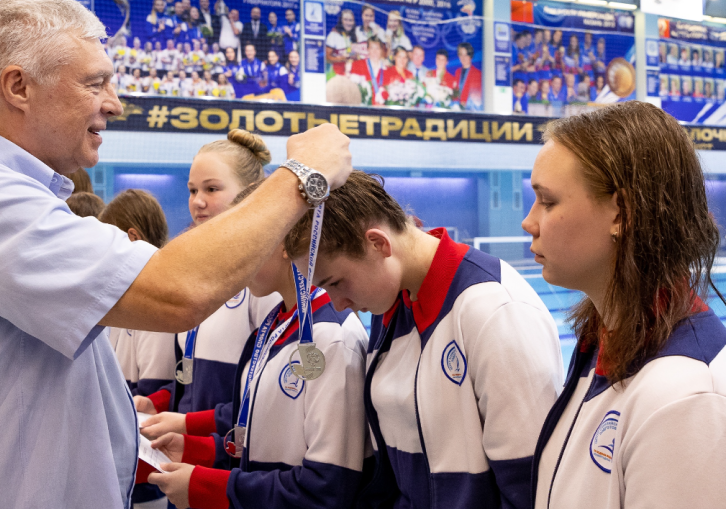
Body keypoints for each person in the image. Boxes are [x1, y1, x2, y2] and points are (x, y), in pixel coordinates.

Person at [0, 0, 352, 507]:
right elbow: (178, 292)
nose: (115, 102)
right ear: (18, 86)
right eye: (95, 83)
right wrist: (301, 177)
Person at [284, 171, 563, 509]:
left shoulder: (494, 308)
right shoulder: (395, 305)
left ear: (379, 244)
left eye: (336, 282)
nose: (337, 304)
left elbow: (529, 485)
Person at [525, 102, 726, 509]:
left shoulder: (684, 397)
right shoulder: (603, 343)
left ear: (621, 212)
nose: (530, 222)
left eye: (547, 202)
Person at [145, 182, 369, 509]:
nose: (235, 258)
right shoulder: (274, 326)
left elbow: (327, 489)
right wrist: (201, 450)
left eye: (243, 242)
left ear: (282, 240)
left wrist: (213, 488)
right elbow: (262, 443)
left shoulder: (332, 338)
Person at [133, 130, 281, 427]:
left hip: (229, 463)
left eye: (211, 189)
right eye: (192, 190)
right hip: (189, 458)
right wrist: (156, 402)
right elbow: (193, 388)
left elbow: (263, 403)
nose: (197, 201)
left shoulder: (264, 282)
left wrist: (188, 428)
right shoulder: (197, 274)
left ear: (251, 193)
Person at [100, 189, 174, 509]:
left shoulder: (156, 306)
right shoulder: (120, 301)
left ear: (132, 238)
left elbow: (155, 403)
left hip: (147, 480)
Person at [349, 38, 387, 106]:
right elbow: (352, 90)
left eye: (377, 48)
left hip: (382, 109)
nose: (374, 51)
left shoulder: (387, 69)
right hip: (362, 109)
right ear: (368, 49)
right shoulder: (357, 65)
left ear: (381, 50)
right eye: (372, 48)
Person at [325, 9, 356, 76]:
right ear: (341, 21)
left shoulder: (354, 36)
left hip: (349, 74)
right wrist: (341, 59)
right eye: (345, 20)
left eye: (350, 20)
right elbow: (326, 57)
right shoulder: (333, 35)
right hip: (334, 74)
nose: (348, 23)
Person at [453, 42, 482, 109]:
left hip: (470, 110)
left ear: (470, 56)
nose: (463, 58)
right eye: (461, 55)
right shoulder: (457, 72)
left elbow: (477, 97)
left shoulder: (477, 73)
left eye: (466, 55)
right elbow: (455, 93)